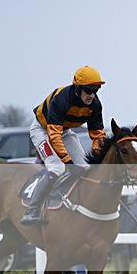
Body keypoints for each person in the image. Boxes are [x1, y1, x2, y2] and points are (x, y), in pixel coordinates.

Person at [20, 66, 106, 226]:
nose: (92, 95)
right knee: (58, 168)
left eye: (96, 90)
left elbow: (98, 135)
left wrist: (98, 157)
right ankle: (31, 210)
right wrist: (68, 162)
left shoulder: (94, 104)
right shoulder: (61, 99)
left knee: (85, 167)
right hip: (43, 131)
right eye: (88, 90)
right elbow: (53, 136)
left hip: (65, 131)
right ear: (78, 88)